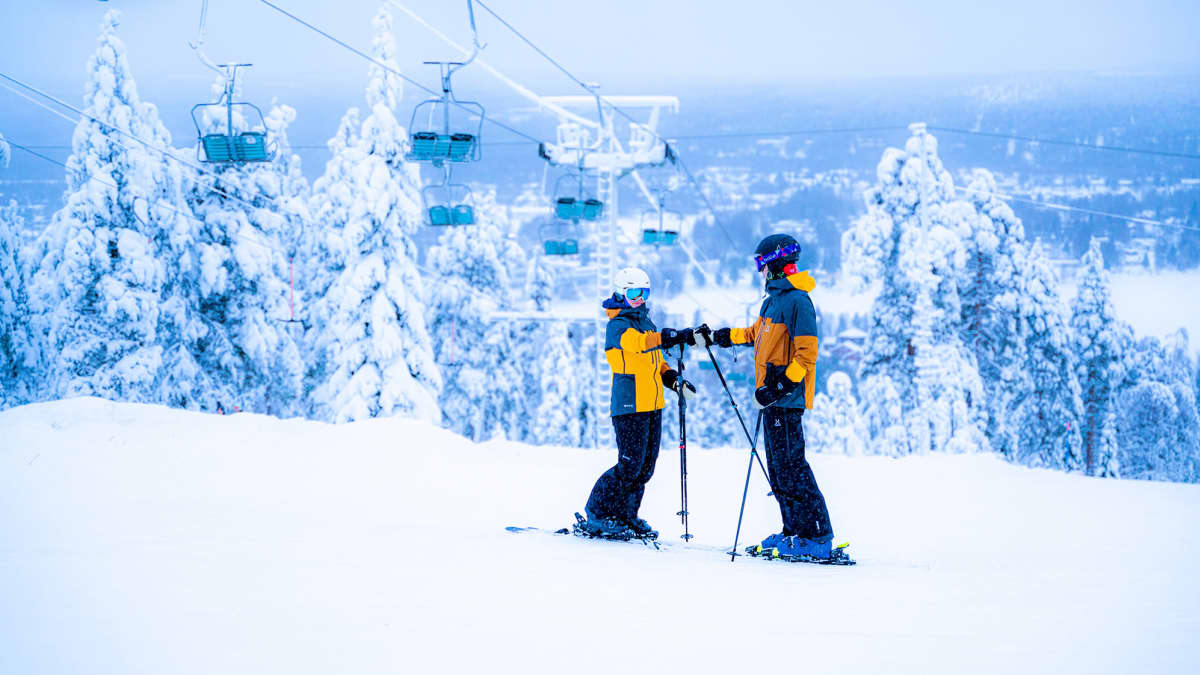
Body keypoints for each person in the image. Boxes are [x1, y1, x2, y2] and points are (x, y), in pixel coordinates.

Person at [701, 234, 835, 559]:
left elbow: (806, 356)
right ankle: (793, 531)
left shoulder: (798, 301)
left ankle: (816, 537)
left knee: (792, 467)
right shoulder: (772, 302)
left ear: (774, 264)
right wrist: (722, 337)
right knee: (778, 470)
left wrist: (778, 388)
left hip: (785, 400)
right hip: (771, 400)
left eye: (762, 265)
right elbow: (754, 334)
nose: (760, 272)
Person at [583, 267, 697, 538]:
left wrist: (673, 380)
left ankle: (625, 515)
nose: (640, 299)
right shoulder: (618, 324)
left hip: (652, 404)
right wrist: (664, 337)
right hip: (629, 405)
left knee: (645, 467)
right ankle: (598, 512)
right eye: (634, 293)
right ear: (622, 293)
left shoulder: (647, 324)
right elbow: (637, 344)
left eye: (644, 293)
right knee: (629, 464)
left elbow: (656, 360)